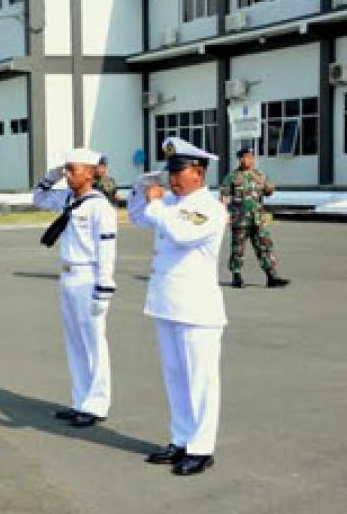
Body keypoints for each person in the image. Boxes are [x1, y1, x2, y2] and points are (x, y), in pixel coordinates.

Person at [128, 137, 227, 477]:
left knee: (200, 381)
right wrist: (143, 187)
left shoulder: (209, 208)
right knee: (175, 378)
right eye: (169, 172)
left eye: (178, 172)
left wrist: (157, 204)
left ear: (198, 173)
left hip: (197, 309)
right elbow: (137, 216)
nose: (172, 179)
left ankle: (201, 448)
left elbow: (181, 234)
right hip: (167, 303)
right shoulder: (170, 202)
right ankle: (181, 439)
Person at [33, 149, 118, 428]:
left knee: (93, 343)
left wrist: (104, 287)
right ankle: (80, 400)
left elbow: (107, 251)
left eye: (73, 170)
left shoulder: (99, 207)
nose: (68, 175)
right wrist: (50, 177)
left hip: (88, 277)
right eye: (66, 169)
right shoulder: (68, 199)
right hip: (68, 276)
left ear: (90, 173)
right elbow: (39, 199)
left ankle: (97, 404)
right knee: (75, 344)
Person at [221, 147, 289, 289]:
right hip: (239, 219)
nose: (247, 159)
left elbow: (268, 191)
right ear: (239, 159)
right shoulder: (231, 177)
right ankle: (236, 276)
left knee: (265, 246)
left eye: (250, 157)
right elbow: (224, 199)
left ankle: (272, 276)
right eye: (244, 157)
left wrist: (270, 189)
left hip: (258, 219)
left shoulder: (260, 175)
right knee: (238, 249)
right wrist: (225, 215)